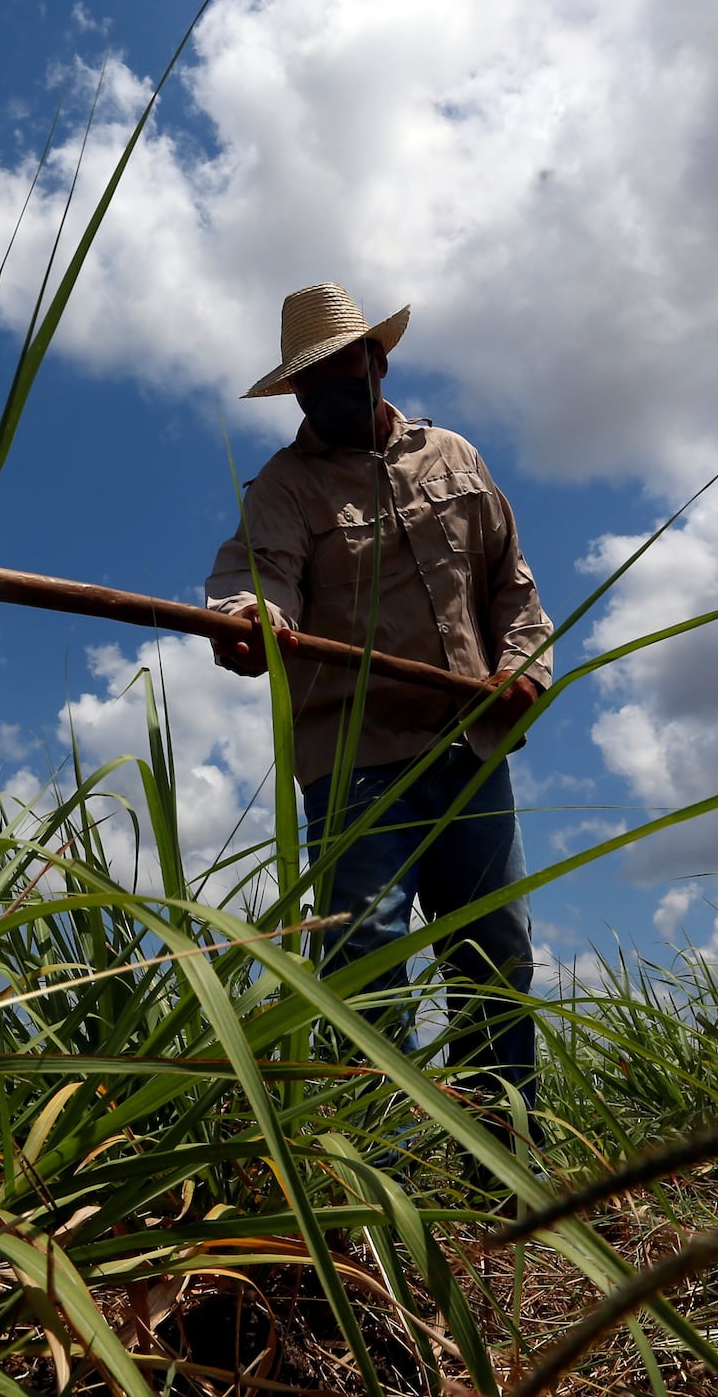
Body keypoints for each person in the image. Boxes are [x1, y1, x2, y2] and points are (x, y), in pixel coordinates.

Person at [205, 281, 555, 1111]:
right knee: (365, 954)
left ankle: (505, 1148)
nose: (325, 389)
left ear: (377, 360)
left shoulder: (455, 459)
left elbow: (512, 588)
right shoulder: (285, 487)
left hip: (469, 751)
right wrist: (249, 618)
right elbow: (257, 574)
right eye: (308, 379)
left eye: (340, 367)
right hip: (357, 767)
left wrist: (523, 672)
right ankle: (382, 1163)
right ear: (294, 390)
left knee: (495, 948)